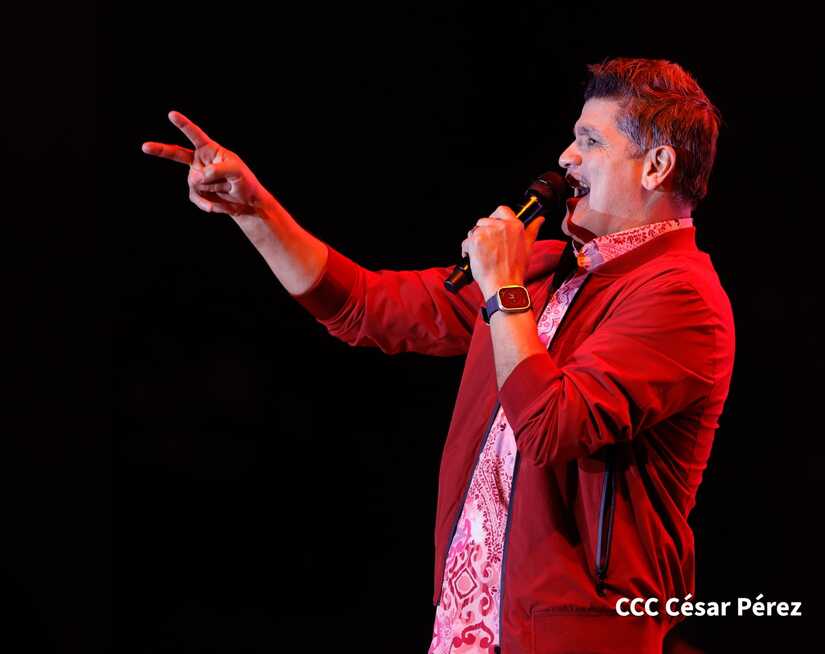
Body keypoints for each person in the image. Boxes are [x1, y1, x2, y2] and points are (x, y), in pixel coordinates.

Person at [142, 57, 734, 654]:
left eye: (590, 141)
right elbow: (367, 308)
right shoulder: (547, 271)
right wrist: (256, 211)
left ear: (656, 166)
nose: (565, 158)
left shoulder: (681, 297)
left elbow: (551, 426)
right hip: (473, 629)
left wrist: (502, 288)